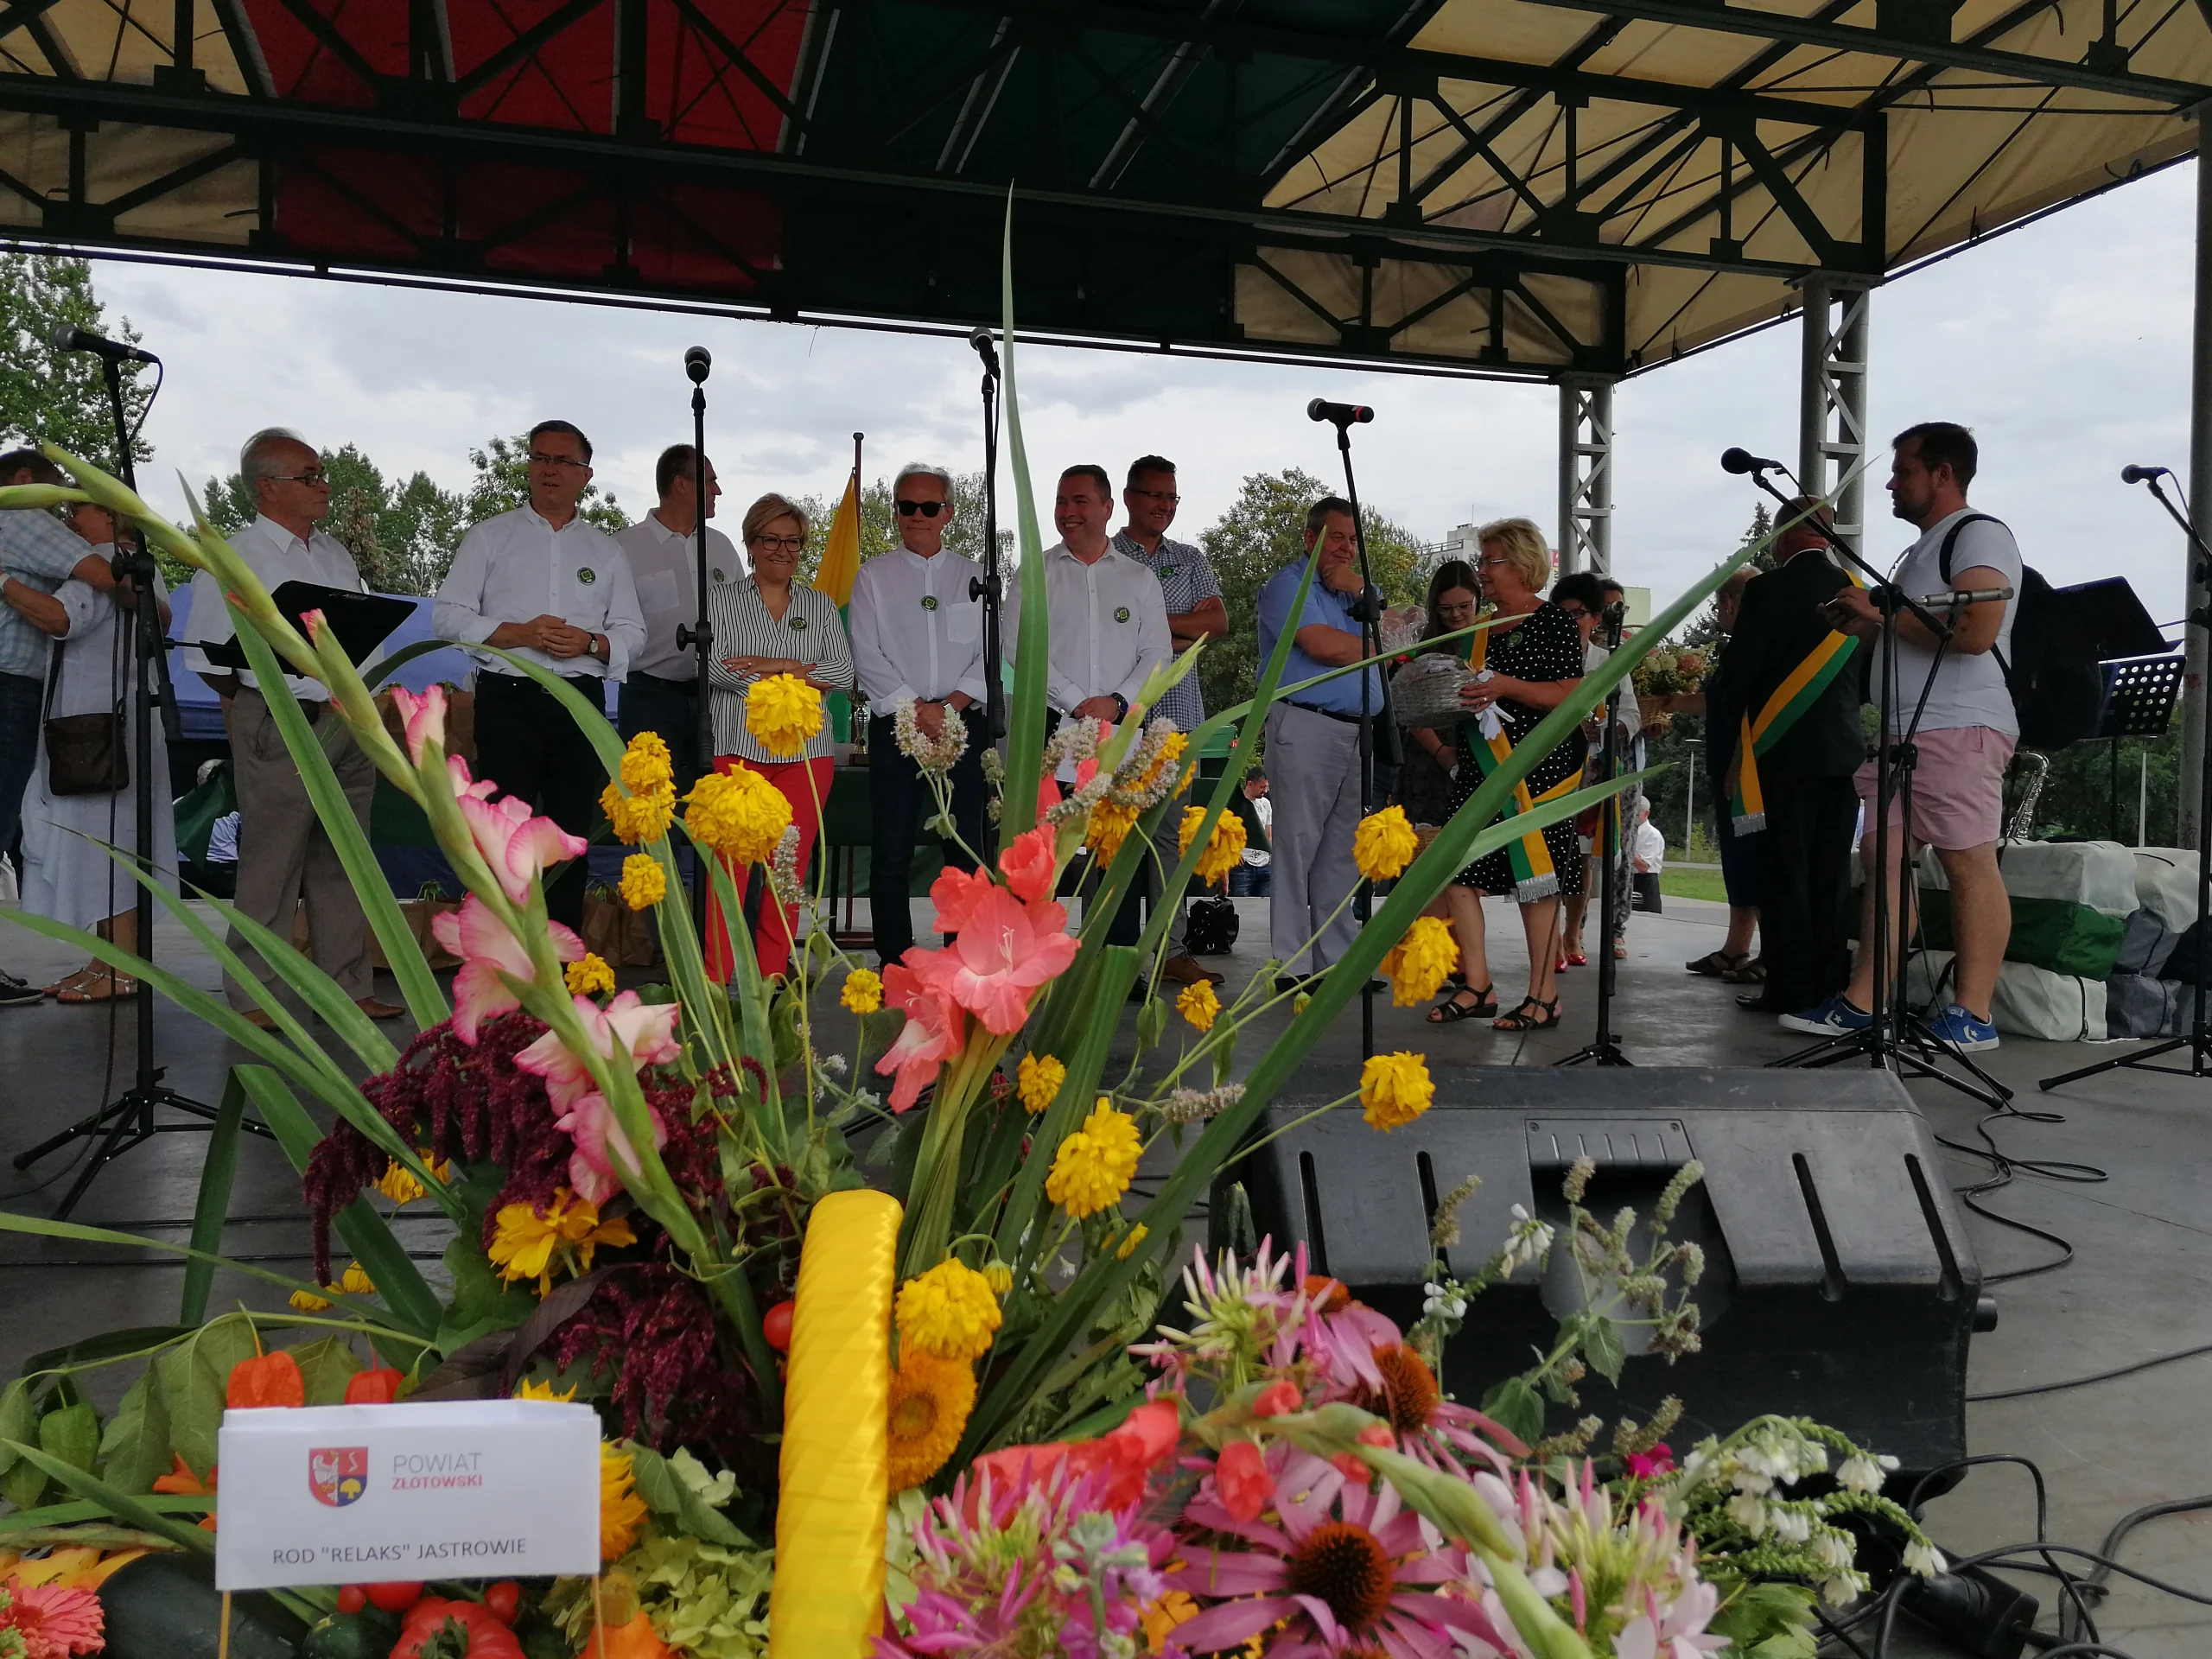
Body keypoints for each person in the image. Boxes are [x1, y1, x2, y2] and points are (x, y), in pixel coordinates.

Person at [1785, 423, 2020, 1052]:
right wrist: (1865, 623)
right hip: (1905, 728)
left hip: (1959, 722)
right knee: (1881, 857)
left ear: (1943, 474)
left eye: (1903, 470)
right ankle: (1864, 1002)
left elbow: (1974, 632)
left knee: (1967, 862)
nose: (1891, 483)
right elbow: (1914, 628)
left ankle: (1973, 1014)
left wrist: (1880, 613)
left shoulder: (1979, 534)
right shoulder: (1921, 551)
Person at [183, 429, 403, 1024]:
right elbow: (208, 659)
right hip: (283, 720)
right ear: (267, 489)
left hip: (349, 720)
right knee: (272, 863)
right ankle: (255, 997)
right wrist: (265, 705)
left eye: (321, 474)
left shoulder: (334, 555)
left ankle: (347, 988)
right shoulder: (234, 556)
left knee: (345, 860)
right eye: (308, 477)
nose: (323, 485)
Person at [433, 419, 644, 931]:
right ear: (528, 466)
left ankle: (565, 960)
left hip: (579, 701)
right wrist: (518, 633)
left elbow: (634, 634)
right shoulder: (490, 537)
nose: (550, 469)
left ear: (585, 475)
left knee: (570, 833)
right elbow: (447, 617)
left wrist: (591, 643)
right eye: (540, 458)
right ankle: (506, 955)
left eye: (563, 461)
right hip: (508, 696)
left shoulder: (606, 551)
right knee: (506, 830)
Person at [7, 499, 175, 1001]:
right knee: (110, 842)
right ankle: (108, 962)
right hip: (115, 721)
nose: (69, 521)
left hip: (95, 729)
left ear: (111, 517)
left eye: (79, 510)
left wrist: (3, 580)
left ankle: (121, 968)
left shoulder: (106, 560)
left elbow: (60, 619)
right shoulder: (139, 570)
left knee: (105, 844)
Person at [1426, 517, 1586, 1031]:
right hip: (1480, 767)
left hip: (1538, 769)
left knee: (1534, 880)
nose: (1482, 571)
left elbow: (1571, 696)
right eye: (1482, 561)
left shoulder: (1553, 622)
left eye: (1490, 561)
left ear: (1521, 564)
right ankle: (1478, 985)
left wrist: (1503, 686)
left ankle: (1544, 996)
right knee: (1457, 872)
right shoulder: (1477, 630)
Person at [1704, 501, 1863, 1017]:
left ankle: (1789, 989)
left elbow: (1742, 671)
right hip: (1842, 752)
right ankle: (1829, 987)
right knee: (1831, 873)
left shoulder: (1767, 590)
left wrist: (1727, 721)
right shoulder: (1857, 590)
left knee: (1784, 870)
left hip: (1781, 750)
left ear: (1783, 536)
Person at [1001, 465, 1170, 948]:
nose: (1067, 511)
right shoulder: (1034, 575)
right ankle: (1036, 964)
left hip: (1122, 741)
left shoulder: (1139, 578)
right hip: (1052, 737)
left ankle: (1110, 966)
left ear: (1107, 508)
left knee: (1115, 862)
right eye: (1061, 501)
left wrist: (1117, 702)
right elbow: (1017, 646)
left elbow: (1158, 652)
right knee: (1043, 863)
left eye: (1079, 501)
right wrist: (1076, 702)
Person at [702, 493, 855, 982]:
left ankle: (770, 987)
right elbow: (716, 667)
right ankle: (716, 986)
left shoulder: (820, 605)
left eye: (793, 541)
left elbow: (844, 673)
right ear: (751, 543)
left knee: (785, 873)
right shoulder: (720, 600)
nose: (782, 550)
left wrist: (780, 666)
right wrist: (802, 675)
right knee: (729, 873)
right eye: (771, 539)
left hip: (806, 758)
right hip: (738, 752)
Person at [848, 462, 987, 969]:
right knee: (892, 850)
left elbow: (993, 652)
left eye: (929, 507)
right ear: (896, 511)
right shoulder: (873, 576)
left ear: (948, 512)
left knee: (965, 849)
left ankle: (963, 959)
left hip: (962, 722)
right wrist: (916, 710)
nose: (917, 515)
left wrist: (949, 708)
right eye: (907, 506)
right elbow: (865, 652)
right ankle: (895, 962)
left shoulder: (976, 576)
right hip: (896, 724)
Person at [0, 448, 118, 1008]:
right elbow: (105, 574)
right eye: (61, 499)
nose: (66, 517)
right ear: (26, 483)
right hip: (8, 685)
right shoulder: (21, 517)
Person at [1255, 496, 1382, 991]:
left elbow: (1401, 625)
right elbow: (1323, 646)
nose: (1347, 548)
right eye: (1337, 538)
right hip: (1305, 724)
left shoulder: (1355, 595)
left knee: (1343, 852)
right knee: (1297, 845)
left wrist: (1363, 591)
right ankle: (1292, 964)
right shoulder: (1288, 585)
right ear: (1311, 540)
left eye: (1353, 540)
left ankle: (1338, 960)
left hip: (1356, 729)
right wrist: (1382, 647)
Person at [1113, 455, 1228, 987]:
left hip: (1179, 719)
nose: (1164, 506)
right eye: (1155, 495)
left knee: (1170, 841)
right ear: (1129, 498)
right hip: (1121, 719)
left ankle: (1171, 950)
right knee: (1114, 837)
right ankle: (1111, 952)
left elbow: (1217, 623)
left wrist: (1151, 631)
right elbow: (1110, 635)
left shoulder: (1190, 558)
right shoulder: (1107, 556)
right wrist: (1175, 635)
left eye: (1172, 497)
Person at [612, 443, 742, 798]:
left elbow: (744, 615)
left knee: (715, 804)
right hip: (649, 697)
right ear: (681, 484)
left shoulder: (721, 547)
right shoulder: (622, 548)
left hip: (716, 697)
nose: (718, 490)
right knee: (652, 803)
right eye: (710, 481)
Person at [1658, 568, 1762, 980]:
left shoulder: (1756, 647)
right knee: (1737, 856)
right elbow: (1717, 703)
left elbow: (1752, 710)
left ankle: (1771, 953)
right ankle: (1736, 947)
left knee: (1753, 856)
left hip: (1747, 771)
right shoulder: (1740, 647)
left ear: (1730, 603)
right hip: (1731, 766)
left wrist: (1739, 762)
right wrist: (1666, 701)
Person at [1551, 570, 1642, 969]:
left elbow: (1632, 716)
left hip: (1591, 769)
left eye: (1578, 614)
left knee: (1582, 854)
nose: (1571, 622)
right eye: (1562, 614)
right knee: (1550, 853)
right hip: (1550, 771)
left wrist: (1604, 727)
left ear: (1595, 617)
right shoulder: (1544, 659)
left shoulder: (1608, 662)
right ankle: (1548, 935)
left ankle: (1573, 931)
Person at [1395, 560, 1478, 830]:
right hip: (1428, 756)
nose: (1456, 615)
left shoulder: (1488, 638)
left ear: (1478, 599)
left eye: (1464, 606)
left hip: (1478, 752)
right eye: (1446, 608)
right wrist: (1440, 751)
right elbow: (1409, 708)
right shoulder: (1421, 644)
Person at [1228, 771, 1272, 898]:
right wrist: (1234, 852)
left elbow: (1268, 833)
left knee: (1267, 903)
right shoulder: (1236, 804)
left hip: (1265, 864)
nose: (1265, 791)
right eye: (1262, 787)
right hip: (1243, 864)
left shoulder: (1266, 804)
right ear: (1250, 784)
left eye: (1266, 787)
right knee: (1242, 904)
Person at [1630, 799, 1666, 914]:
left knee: (1647, 919)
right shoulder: (1627, 832)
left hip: (1646, 882)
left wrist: (1625, 846)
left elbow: (1643, 866)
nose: (1632, 815)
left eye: (1637, 812)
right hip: (1626, 879)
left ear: (1646, 813)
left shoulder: (1653, 835)